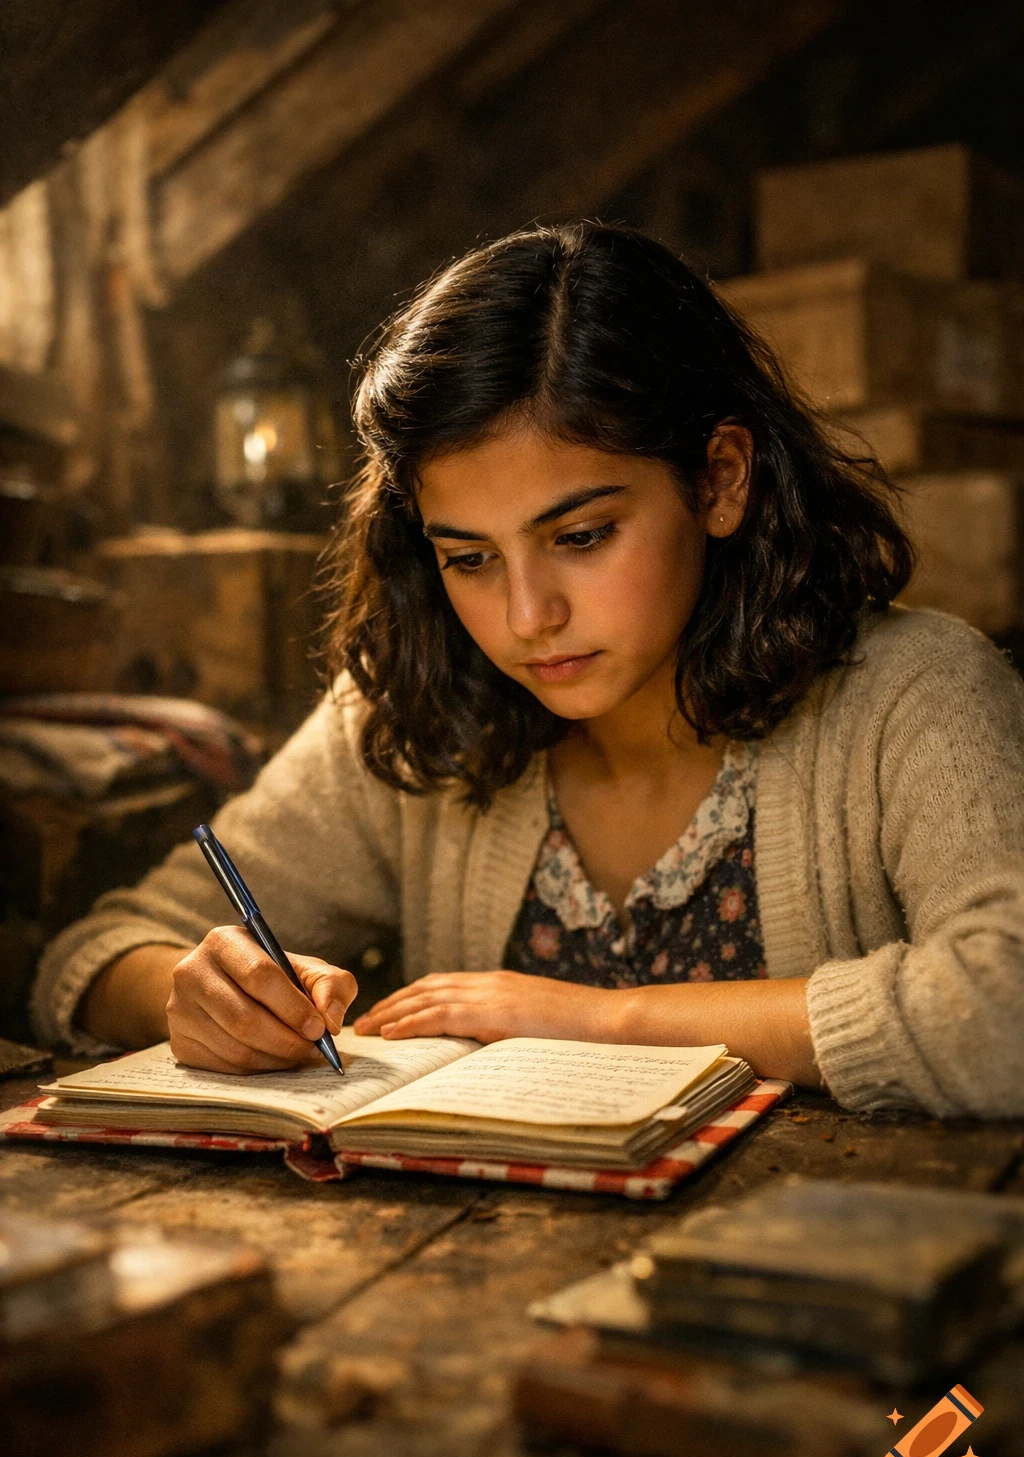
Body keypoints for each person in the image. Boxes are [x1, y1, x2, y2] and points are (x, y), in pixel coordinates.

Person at [33, 223, 1024, 1116]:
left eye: (583, 534)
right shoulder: (411, 715)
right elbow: (94, 954)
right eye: (467, 558)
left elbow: (1005, 1004)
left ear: (720, 479)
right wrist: (193, 994)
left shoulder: (915, 695)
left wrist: (597, 1019)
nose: (524, 618)